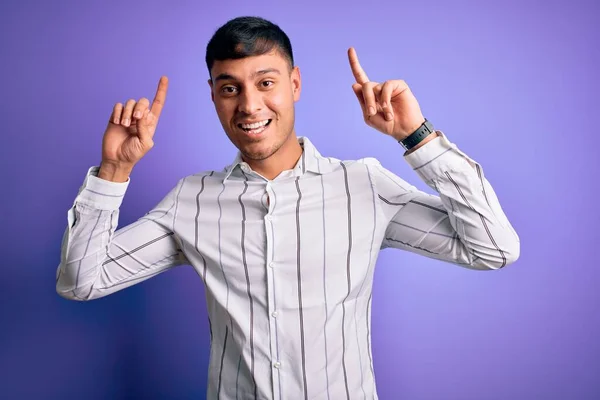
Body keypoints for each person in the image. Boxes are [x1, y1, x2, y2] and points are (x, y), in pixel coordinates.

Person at [56, 16, 520, 400]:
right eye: (230, 88)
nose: (250, 104)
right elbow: (83, 281)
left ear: (294, 84)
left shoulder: (363, 185)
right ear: (214, 96)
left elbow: (494, 249)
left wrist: (415, 135)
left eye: (266, 82)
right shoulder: (191, 200)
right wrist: (114, 170)